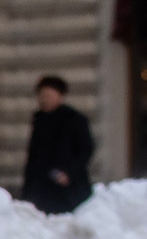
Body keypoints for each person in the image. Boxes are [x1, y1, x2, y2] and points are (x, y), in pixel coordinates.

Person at [20, 75, 95, 214]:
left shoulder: (75, 120)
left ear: (60, 96)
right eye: (41, 95)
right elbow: (34, 156)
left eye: (48, 96)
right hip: (40, 188)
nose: (44, 100)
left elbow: (86, 150)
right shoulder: (39, 120)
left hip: (68, 189)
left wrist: (69, 172)